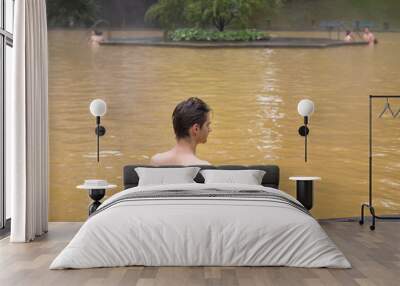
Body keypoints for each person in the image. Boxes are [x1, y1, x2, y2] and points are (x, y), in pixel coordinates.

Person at [150, 97, 212, 166]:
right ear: (196, 129)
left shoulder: (156, 161)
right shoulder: (203, 167)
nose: (210, 130)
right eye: (207, 125)